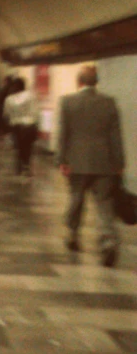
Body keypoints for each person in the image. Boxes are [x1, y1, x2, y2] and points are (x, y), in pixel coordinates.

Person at [57, 65, 124, 267]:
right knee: (104, 204)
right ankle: (109, 242)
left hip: (76, 162)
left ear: (79, 82)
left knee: (76, 199)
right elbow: (115, 136)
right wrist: (119, 163)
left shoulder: (68, 102)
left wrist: (61, 160)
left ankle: (73, 235)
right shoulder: (109, 103)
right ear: (96, 83)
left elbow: (63, 134)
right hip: (104, 162)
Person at [3, 77, 39, 176]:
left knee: (19, 147)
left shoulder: (9, 99)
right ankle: (26, 165)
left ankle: (19, 166)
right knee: (28, 147)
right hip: (30, 125)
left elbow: (6, 114)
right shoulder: (32, 96)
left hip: (16, 127)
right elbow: (36, 112)